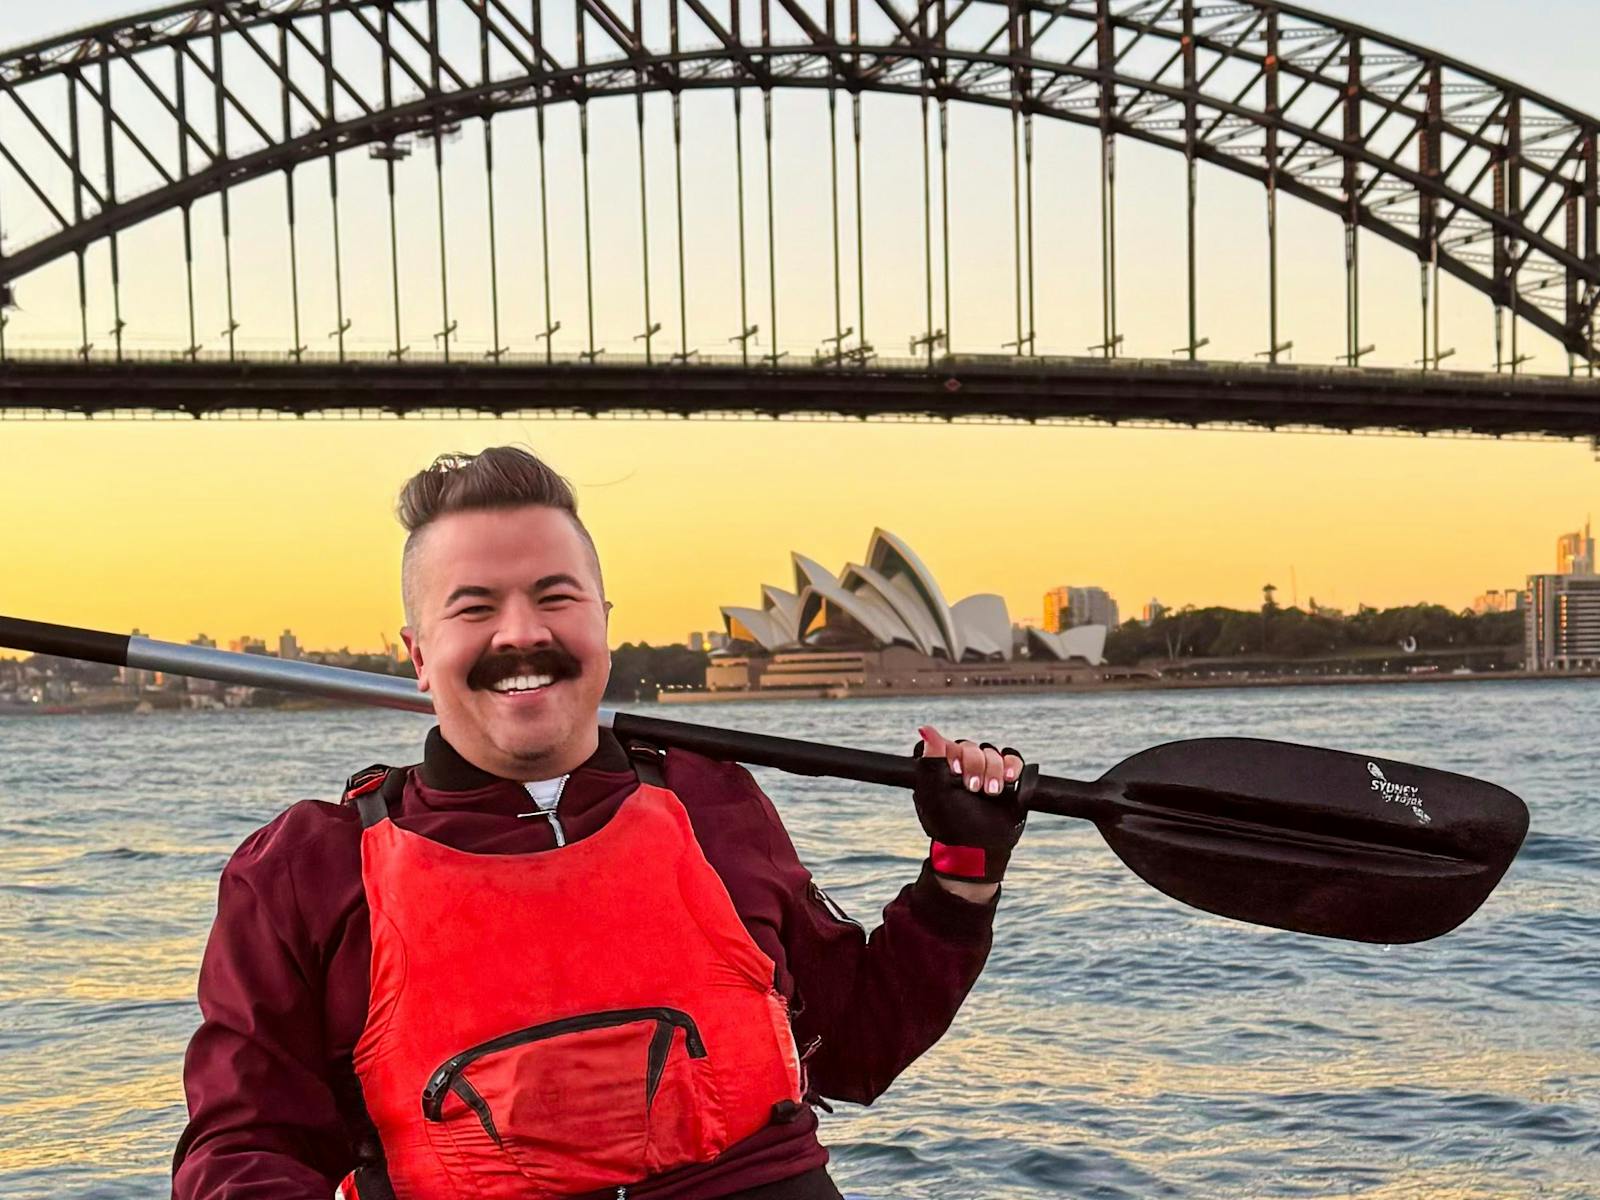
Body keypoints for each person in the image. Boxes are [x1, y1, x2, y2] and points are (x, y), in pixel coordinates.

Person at [173, 446, 1029, 1199]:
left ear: (604, 625)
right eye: (474, 608)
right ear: (418, 654)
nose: (522, 634)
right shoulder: (308, 868)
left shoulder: (713, 805)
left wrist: (964, 868)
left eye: (556, 597)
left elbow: (854, 1048)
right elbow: (243, 1148)